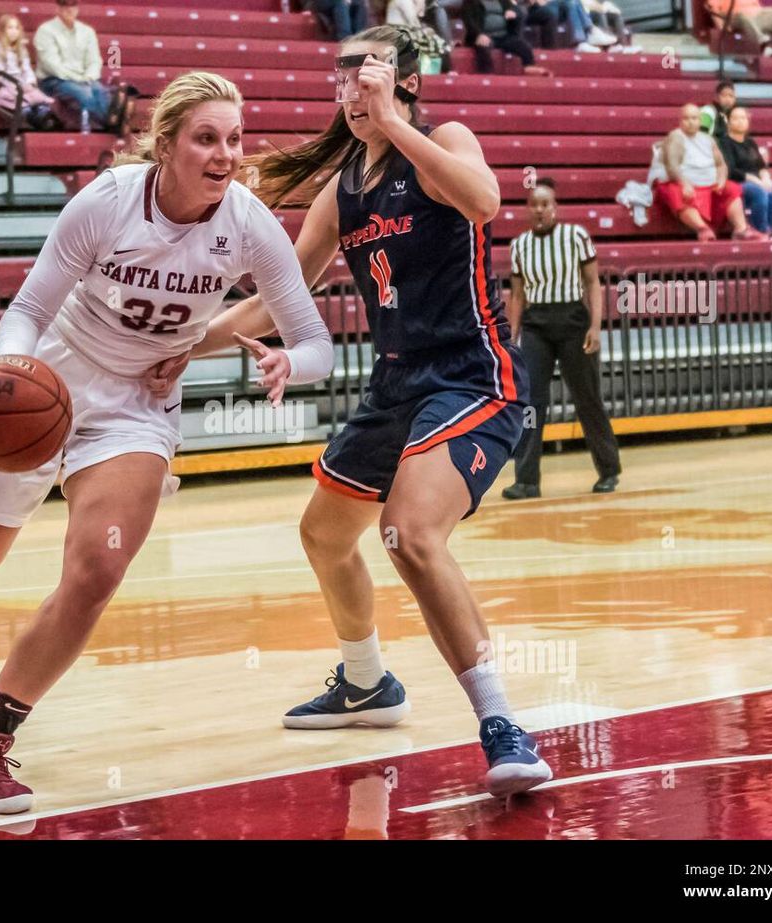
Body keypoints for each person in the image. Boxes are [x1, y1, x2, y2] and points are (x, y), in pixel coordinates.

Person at [0, 71, 335, 813]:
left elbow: (315, 341)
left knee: (98, 567)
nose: (225, 154)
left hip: (135, 406)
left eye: (234, 139)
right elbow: (29, 306)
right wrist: (14, 366)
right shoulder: (108, 201)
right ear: (166, 144)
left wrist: (283, 361)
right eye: (206, 138)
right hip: (51, 377)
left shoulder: (247, 222)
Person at [204, 25, 552, 798]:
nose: (351, 92)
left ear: (405, 85)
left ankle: (500, 719)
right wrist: (179, 346)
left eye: (368, 77)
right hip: (396, 384)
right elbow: (278, 298)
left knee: (411, 532)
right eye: (343, 79)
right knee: (324, 535)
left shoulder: (443, 138)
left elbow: (486, 199)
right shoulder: (344, 189)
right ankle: (366, 684)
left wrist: (394, 123)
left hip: (470, 377)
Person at [502, 178, 619, 498]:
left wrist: (595, 327)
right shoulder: (520, 245)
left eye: (545, 204)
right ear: (528, 210)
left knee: (588, 398)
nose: (540, 210)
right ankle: (526, 480)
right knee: (529, 403)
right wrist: (512, 336)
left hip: (573, 321)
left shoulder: (576, 236)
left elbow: (592, 283)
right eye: (534, 205)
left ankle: (609, 470)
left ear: (555, 208)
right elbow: (518, 293)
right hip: (536, 325)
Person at [651, 104, 764, 242]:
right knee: (676, 191)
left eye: (694, 118)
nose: (691, 122)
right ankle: (702, 228)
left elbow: (721, 165)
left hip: (708, 183)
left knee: (732, 188)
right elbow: (672, 166)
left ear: (699, 120)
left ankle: (741, 229)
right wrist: (684, 183)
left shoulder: (708, 139)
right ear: (680, 121)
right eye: (686, 118)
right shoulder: (675, 137)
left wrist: (721, 180)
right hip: (679, 181)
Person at [33, 0, 125, 133]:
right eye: (65, 5)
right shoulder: (45, 30)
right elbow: (51, 65)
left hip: (83, 78)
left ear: (77, 8)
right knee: (85, 93)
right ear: (58, 8)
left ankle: (112, 123)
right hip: (53, 80)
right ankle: (115, 124)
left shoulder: (87, 31)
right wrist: (79, 79)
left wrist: (88, 77)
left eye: (73, 5)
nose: (69, 9)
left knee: (99, 90)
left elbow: (94, 61)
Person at [719, 107, 772, 240]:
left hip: (755, 180)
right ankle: (761, 229)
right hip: (736, 181)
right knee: (759, 191)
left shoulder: (750, 142)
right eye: (735, 118)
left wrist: (766, 177)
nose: (740, 121)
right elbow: (731, 169)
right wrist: (755, 180)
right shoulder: (724, 142)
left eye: (743, 118)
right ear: (728, 122)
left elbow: (761, 166)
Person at [0, 14, 58, 130]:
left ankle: (43, 116)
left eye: (16, 28)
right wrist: (17, 85)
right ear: (2, 30)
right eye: (10, 28)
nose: (14, 31)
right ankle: (28, 115)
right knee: (22, 100)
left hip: (23, 86)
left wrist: (30, 82)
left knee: (36, 98)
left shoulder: (21, 49)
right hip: (5, 86)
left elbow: (27, 69)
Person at [460, 0, 550, 76]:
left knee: (523, 45)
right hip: (483, 36)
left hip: (504, 36)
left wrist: (514, 14)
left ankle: (529, 66)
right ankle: (487, 74)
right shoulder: (471, 2)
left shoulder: (503, 1)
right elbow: (469, 20)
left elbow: (515, 11)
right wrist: (478, 34)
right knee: (483, 47)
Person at [705, 0, 772, 58]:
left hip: (756, 14)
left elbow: (756, 7)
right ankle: (764, 46)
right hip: (734, 17)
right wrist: (723, 28)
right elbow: (714, 10)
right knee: (743, 16)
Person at [524, 0, 615, 53]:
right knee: (571, 2)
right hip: (533, 9)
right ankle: (587, 34)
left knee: (573, 2)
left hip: (551, 6)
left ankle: (587, 34)